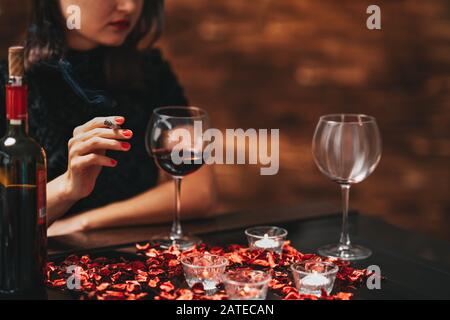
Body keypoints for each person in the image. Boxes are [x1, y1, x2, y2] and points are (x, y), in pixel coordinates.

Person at [0, 0, 217, 236]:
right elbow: (8, 223)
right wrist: (66, 189)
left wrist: (83, 222)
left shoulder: (149, 70)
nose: (129, 7)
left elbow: (198, 191)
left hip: (131, 261)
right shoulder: (12, 84)